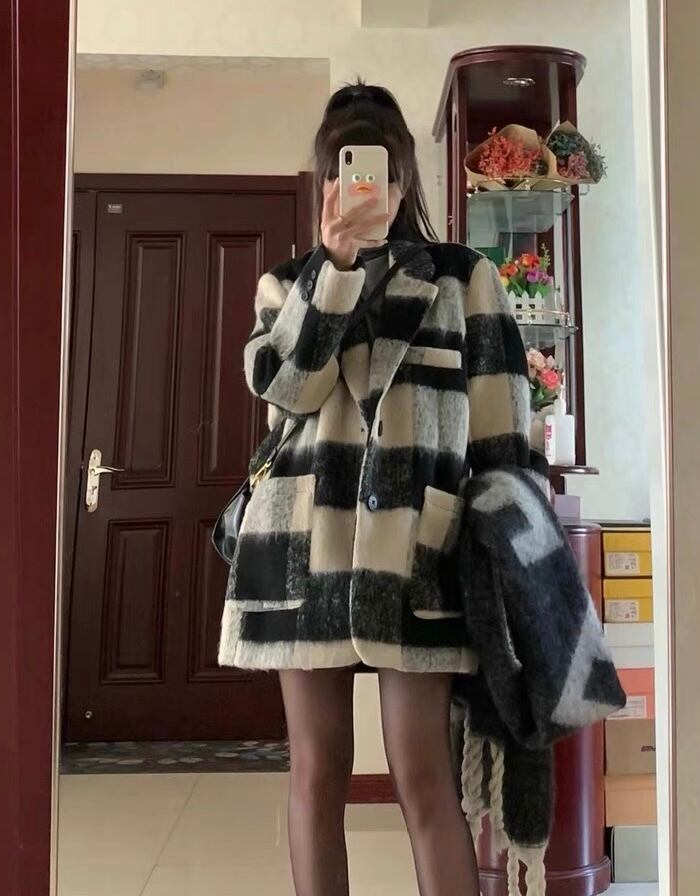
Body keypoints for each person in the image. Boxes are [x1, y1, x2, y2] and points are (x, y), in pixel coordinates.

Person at [217, 79, 535, 896]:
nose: (357, 185)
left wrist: (515, 558)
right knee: (316, 771)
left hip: (419, 548)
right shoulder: (287, 286)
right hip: (300, 545)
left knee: (424, 774)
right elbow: (286, 391)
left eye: (374, 169)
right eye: (341, 170)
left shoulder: (462, 279)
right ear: (324, 182)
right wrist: (334, 272)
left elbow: (503, 433)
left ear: (402, 179)